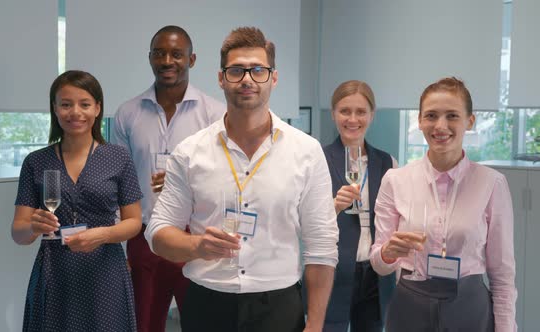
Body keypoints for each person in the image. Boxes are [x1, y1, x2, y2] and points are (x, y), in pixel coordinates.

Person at [144, 26, 339, 332]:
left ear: (273, 78)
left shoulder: (307, 151)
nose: (247, 79)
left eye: (258, 70)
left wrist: (314, 324)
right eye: (236, 70)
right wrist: (196, 246)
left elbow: (322, 246)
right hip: (206, 302)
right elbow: (157, 232)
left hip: (279, 305)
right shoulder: (190, 152)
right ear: (221, 78)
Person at [370, 77, 517, 331]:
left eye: (452, 116)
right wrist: (387, 253)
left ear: (470, 121)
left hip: (469, 307)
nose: (440, 126)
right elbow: (379, 264)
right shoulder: (396, 180)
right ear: (419, 120)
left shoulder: (492, 184)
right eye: (431, 115)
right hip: (409, 305)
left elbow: (502, 276)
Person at [112, 25, 225, 332]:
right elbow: (119, 183)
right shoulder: (127, 113)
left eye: (176, 54)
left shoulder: (215, 114)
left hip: (195, 235)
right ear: (150, 58)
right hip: (143, 235)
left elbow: (225, 179)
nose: (167, 60)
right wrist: (122, 247)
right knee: (144, 324)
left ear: (192, 59)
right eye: (159, 53)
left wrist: (182, 182)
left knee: (202, 323)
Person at [11, 70, 143, 331]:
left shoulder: (118, 157)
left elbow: (134, 222)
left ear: (97, 108)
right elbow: (18, 233)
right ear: (55, 109)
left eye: (84, 104)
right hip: (54, 270)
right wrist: (34, 226)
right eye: (66, 104)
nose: (75, 112)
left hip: (105, 270)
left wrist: (101, 235)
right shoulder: (36, 162)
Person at [319, 80, 396, 331]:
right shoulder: (317, 160)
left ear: (372, 115)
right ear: (333, 114)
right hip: (333, 271)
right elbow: (299, 221)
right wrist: (333, 207)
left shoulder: (388, 163)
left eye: (361, 112)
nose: (353, 119)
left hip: (375, 274)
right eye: (345, 111)